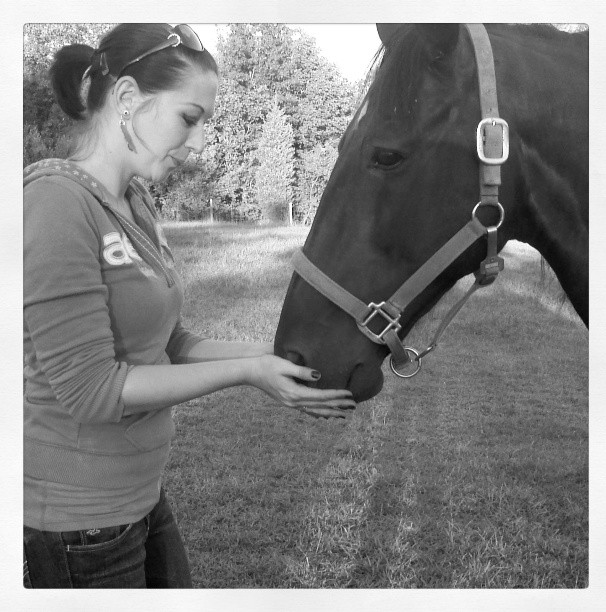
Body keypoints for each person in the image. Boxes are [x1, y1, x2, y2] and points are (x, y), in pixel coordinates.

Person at [23, 23, 356, 589]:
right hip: (78, 522)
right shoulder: (54, 205)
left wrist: (277, 354)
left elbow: (172, 343)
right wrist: (248, 373)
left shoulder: (134, 200)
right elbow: (94, 391)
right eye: (189, 118)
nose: (200, 143)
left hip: (141, 496)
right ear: (127, 98)